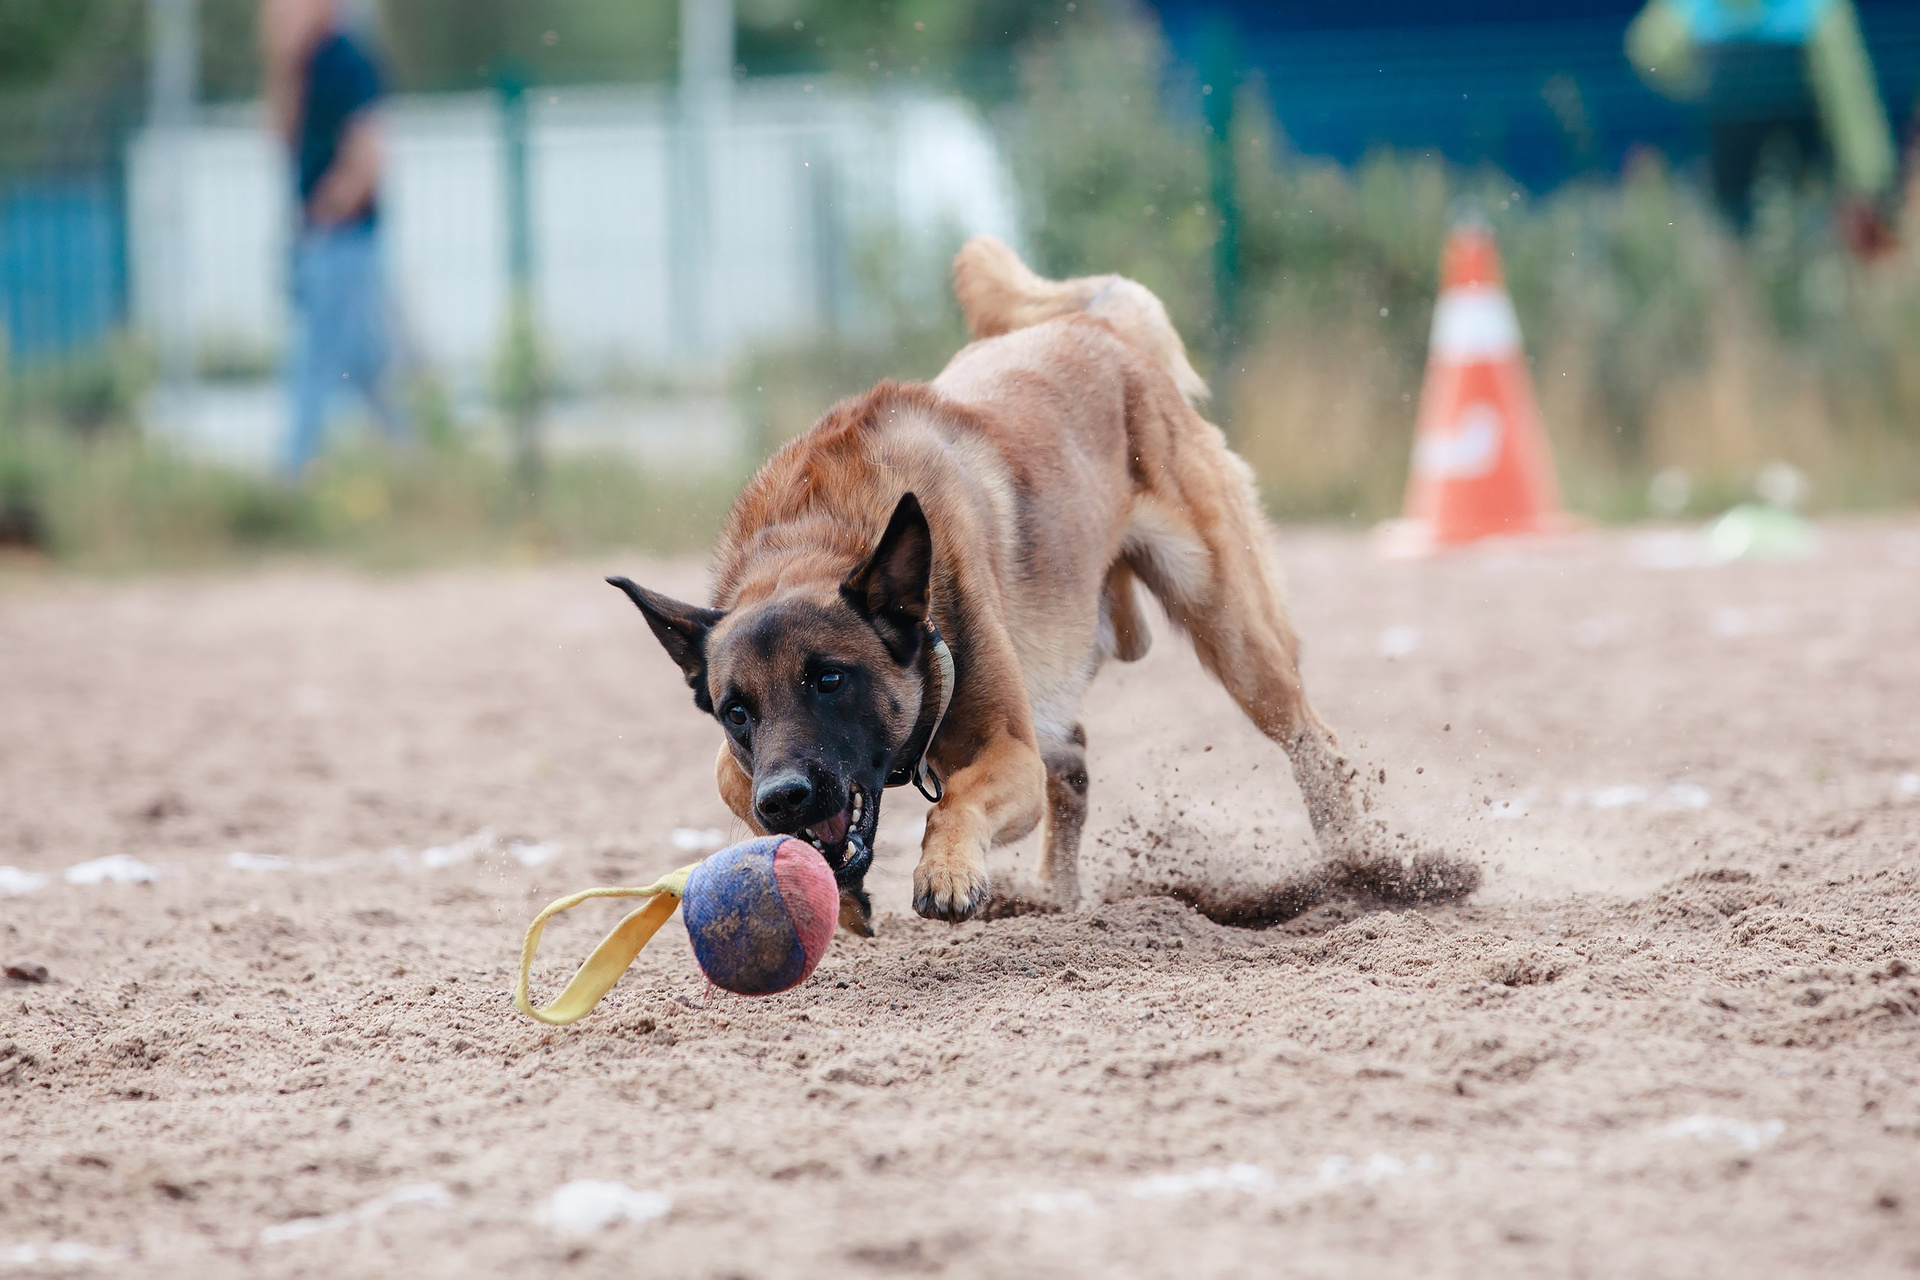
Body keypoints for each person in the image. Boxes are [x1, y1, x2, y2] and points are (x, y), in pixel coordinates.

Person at [1627, 0, 1898, 252]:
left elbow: (1653, 51)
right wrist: (1870, 180)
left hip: (1786, 186)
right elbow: (1851, 101)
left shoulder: (1817, 9)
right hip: (1771, 187)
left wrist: (1869, 182)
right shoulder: (1817, 10)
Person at [262, 0, 404, 475]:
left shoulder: (349, 62)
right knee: (366, 362)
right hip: (319, 236)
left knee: (316, 355)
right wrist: (283, 65)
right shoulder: (304, 67)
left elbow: (369, 153)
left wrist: (326, 213)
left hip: (343, 238)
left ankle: (293, 469)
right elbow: (281, 137)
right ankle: (408, 456)